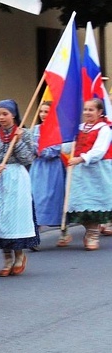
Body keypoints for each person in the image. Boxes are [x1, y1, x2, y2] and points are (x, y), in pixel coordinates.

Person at [0, 99, 39, 276]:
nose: (1, 117)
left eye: (5, 114)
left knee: (14, 218)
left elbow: (28, 159)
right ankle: (6, 259)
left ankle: (19, 256)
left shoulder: (25, 134)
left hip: (16, 179)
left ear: (13, 114)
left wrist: (19, 142)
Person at [59, 98, 112, 250]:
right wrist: (65, 139)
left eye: (91, 109)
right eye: (85, 109)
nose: (87, 112)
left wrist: (81, 158)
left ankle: (93, 233)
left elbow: (99, 151)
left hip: (97, 172)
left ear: (100, 112)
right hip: (79, 173)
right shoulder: (79, 128)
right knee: (78, 203)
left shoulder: (104, 129)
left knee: (94, 203)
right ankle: (89, 229)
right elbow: (68, 147)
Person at [30, 101, 66, 232]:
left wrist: (41, 150)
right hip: (38, 168)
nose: (43, 114)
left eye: (47, 112)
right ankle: (35, 230)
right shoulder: (35, 130)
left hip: (53, 169)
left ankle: (64, 228)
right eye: (41, 111)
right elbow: (30, 146)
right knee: (35, 197)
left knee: (53, 197)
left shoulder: (58, 129)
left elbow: (55, 149)